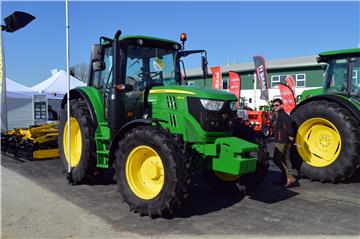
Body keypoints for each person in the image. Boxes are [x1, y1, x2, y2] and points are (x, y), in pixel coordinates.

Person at [271, 98, 296, 187]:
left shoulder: (283, 115)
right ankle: (284, 179)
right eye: (273, 106)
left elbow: (288, 126)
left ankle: (290, 177)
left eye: (277, 105)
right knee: (282, 159)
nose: (275, 107)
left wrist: (291, 135)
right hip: (281, 139)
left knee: (276, 159)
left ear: (281, 105)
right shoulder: (279, 115)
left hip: (282, 140)